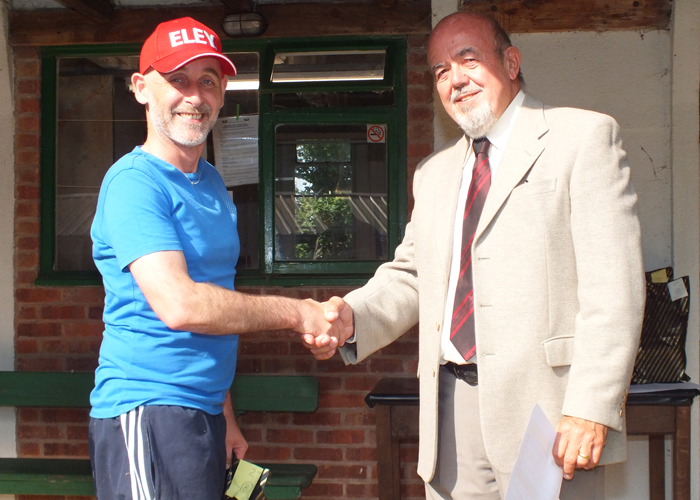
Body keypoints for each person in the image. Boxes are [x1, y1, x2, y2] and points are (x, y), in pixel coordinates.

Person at [306, 11, 645, 500]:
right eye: (441, 71)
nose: (455, 79)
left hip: (547, 414)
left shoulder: (582, 139)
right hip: (451, 412)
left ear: (510, 62)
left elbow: (614, 287)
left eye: (468, 59)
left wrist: (590, 407)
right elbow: (413, 276)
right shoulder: (434, 172)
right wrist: (351, 317)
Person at [89, 17, 340, 500]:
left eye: (208, 81)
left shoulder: (212, 185)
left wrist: (224, 417)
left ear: (223, 93)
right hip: (148, 409)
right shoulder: (134, 184)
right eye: (177, 79)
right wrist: (298, 312)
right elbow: (182, 306)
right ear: (142, 88)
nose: (194, 95)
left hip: (200, 413)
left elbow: (216, 306)